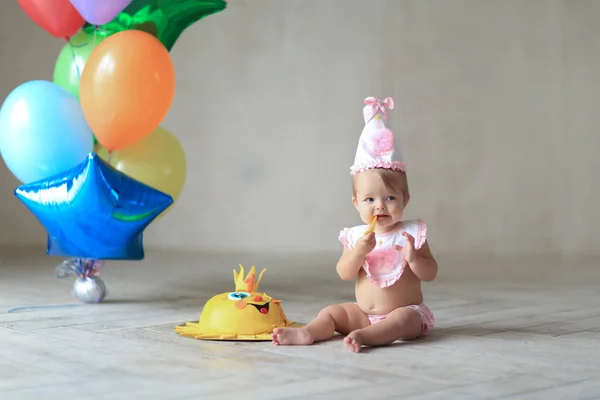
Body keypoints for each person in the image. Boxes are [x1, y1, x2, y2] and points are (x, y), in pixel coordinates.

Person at [271, 96, 438, 352]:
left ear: (406, 200)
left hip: (406, 311)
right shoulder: (356, 236)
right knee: (333, 312)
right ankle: (308, 332)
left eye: (390, 197)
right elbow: (344, 273)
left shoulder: (410, 234)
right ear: (355, 203)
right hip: (362, 313)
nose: (379, 206)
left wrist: (414, 258)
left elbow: (431, 273)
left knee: (402, 320)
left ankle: (369, 337)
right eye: (369, 199)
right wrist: (359, 251)